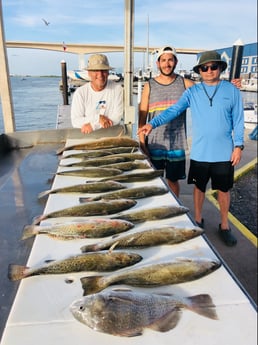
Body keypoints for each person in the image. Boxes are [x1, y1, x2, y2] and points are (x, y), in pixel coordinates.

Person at [138, 50, 244, 246]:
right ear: (200, 71)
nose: (209, 70)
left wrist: (238, 145)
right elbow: (173, 110)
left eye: (214, 66)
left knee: (223, 189)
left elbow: (238, 120)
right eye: (205, 67)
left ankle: (224, 225)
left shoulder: (231, 91)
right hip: (200, 152)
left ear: (220, 68)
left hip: (224, 152)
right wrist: (152, 124)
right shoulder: (192, 92)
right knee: (199, 187)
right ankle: (197, 220)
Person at [138, 46, 194, 197]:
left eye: (170, 60)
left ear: (176, 62)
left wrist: (230, 85)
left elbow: (209, 92)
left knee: (173, 181)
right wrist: (142, 143)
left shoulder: (186, 84)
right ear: (158, 63)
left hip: (177, 143)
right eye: (163, 60)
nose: (167, 64)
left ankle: (175, 208)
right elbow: (142, 116)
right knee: (153, 181)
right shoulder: (149, 85)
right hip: (154, 142)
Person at [71, 54, 123, 134]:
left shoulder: (117, 89)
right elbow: (76, 121)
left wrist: (93, 125)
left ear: (108, 72)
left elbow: (117, 117)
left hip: (112, 136)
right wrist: (98, 118)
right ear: (89, 73)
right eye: (96, 70)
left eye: (104, 70)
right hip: (88, 137)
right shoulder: (80, 93)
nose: (100, 74)